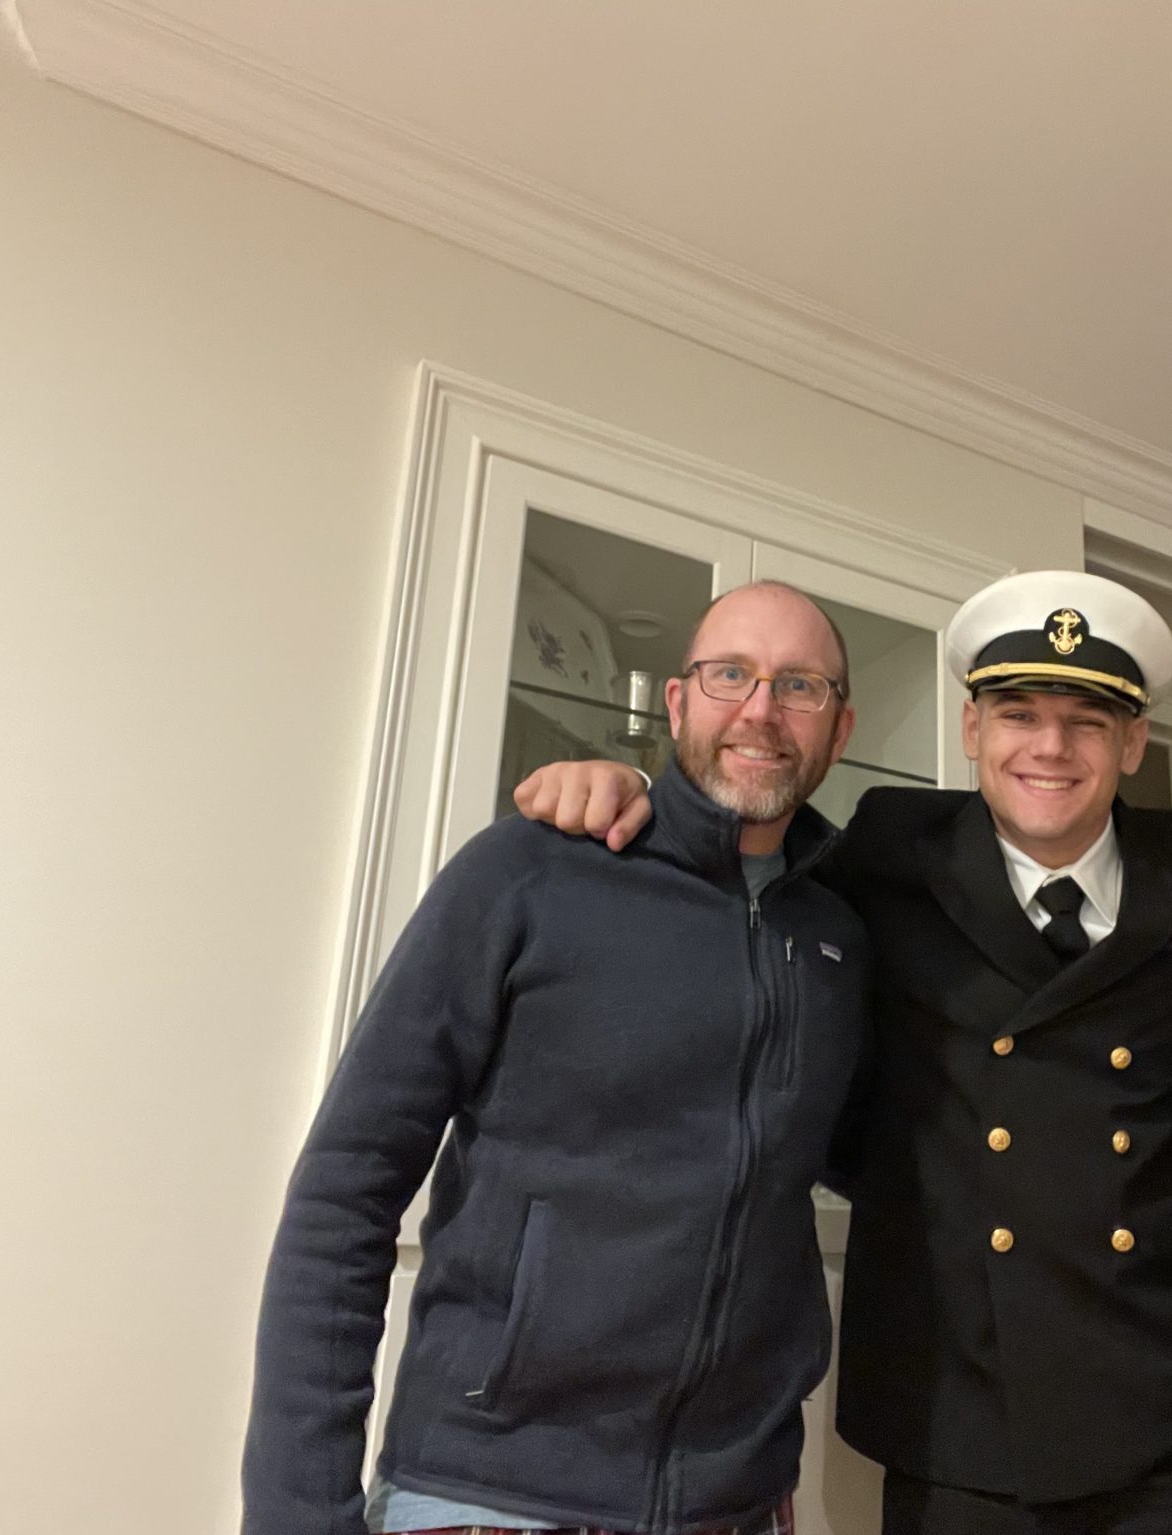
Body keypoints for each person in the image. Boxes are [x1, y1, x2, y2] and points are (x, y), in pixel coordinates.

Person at [513, 570, 1172, 1535]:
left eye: (1087, 721)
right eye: (1018, 714)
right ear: (971, 727)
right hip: (957, 1416)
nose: (1050, 747)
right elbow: (748, 850)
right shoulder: (891, 845)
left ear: (1133, 743)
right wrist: (633, 788)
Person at [241, 581, 871, 1535]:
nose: (760, 709)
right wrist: (297, 1513)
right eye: (730, 674)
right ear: (676, 702)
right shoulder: (528, 871)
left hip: (739, 1504)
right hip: (489, 1493)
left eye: (799, 685)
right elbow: (347, 1186)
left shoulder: (839, 939)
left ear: (841, 726)